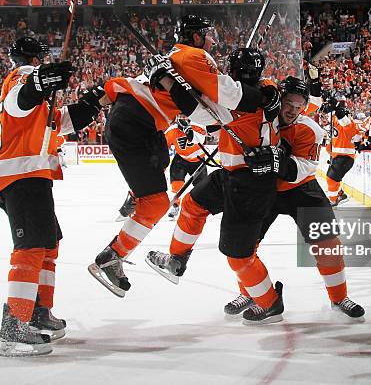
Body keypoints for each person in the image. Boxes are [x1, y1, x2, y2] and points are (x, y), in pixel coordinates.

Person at [147, 76, 366, 321]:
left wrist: (277, 161)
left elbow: (304, 167)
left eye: (298, 106)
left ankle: (339, 297)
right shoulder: (256, 115)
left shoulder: (310, 130)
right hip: (261, 189)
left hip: (301, 190)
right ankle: (252, 292)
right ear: (278, 99)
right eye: (288, 104)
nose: (293, 111)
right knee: (244, 247)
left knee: (328, 244)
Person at [89, 17, 279, 298]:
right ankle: (112, 257)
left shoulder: (182, 58)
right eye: (208, 35)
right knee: (158, 204)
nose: (213, 41)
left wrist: (170, 82)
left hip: (140, 122)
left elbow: (205, 112)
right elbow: (225, 99)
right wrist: (263, 96)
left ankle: (160, 257)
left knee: (166, 191)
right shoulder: (192, 55)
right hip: (137, 121)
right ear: (197, 37)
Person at [146, 47, 284, 324]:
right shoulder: (266, 89)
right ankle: (176, 259)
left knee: (238, 254)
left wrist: (167, 79)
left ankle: (270, 303)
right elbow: (216, 101)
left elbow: (196, 110)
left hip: (251, 184)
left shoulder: (236, 102)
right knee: (193, 203)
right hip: (232, 175)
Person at [0, 37, 106, 357]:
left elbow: (64, 122)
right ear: (35, 58)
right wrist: (42, 79)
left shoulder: (40, 98)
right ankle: (15, 321)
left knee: (49, 242)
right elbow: (21, 97)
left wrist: (93, 100)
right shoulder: (21, 75)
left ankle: (39, 310)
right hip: (20, 175)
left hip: (31, 176)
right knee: (31, 246)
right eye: (42, 59)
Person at [164, 116, 209, 219]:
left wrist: (188, 130)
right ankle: (176, 205)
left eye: (185, 115)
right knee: (176, 184)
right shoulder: (172, 131)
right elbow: (163, 146)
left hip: (199, 160)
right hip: (181, 159)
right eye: (180, 116)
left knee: (201, 188)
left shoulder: (198, 124)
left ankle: (199, 207)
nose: (182, 118)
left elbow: (199, 139)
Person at [323, 100, 363, 206]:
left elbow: (345, 122)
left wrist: (336, 109)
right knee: (331, 177)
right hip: (338, 157)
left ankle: (333, 200)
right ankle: (341, 194)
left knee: (331, 178)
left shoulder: (347, 122)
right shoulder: (335, 120)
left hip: (345, 157)